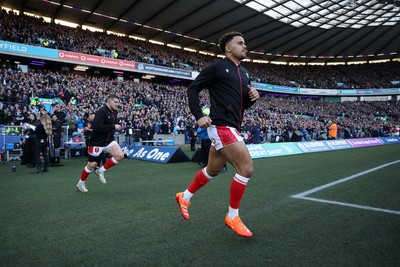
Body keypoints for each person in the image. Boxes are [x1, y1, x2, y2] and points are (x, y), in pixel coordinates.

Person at [175, 32, 259, 237]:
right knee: (246, 169)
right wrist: (198, 115)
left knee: (212, 170)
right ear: (228, 48)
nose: (245, 46)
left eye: (245, 43)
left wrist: (252, 99)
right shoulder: (217, 68)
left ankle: (184, 196)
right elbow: (192, 89)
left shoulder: (245, 73)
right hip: (221, 126)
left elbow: (241, 104)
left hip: (232, 126)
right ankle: (232, 216)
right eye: (240, 43)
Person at [76, 95, 124, 193]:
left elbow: (111, 126)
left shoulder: (115, 112)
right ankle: (81, 183)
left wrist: (118, 126)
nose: (117, 104)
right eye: (115, 102)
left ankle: (101, 171)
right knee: (92, 164)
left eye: (118, 102)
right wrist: (113, 126)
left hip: (109, 140)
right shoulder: (101, 112)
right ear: (109, 101)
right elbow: (98, 128)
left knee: (120, 155)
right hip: (96, 142)